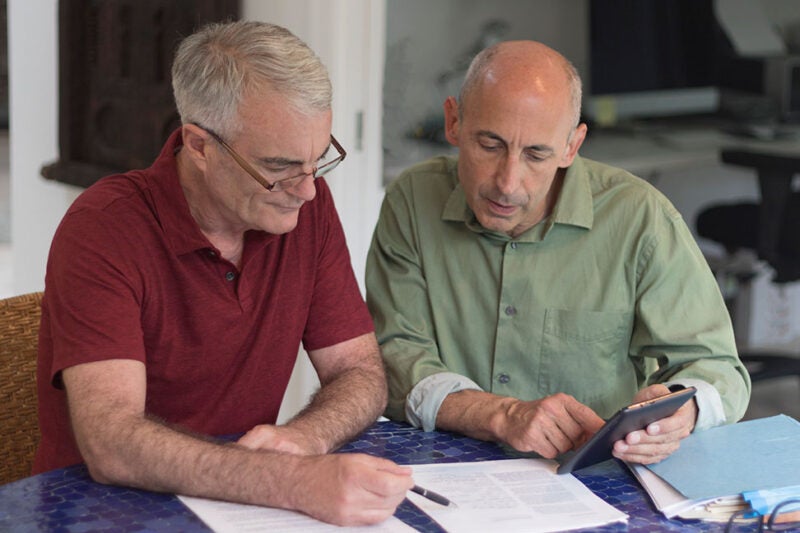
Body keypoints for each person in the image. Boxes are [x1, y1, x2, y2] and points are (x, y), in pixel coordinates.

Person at [35, 20, 413, 526]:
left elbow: (360, 372)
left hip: (238, 505)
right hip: (99, 513)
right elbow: (112, 444)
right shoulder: (105, 228)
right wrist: (291, 481)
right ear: (199, 146)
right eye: (279, 169)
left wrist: (306, 438)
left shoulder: (306, 206)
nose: (306, 190)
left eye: (318, 159)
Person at [366, 40, 751, 466]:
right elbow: (395, 355)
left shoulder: (640, 218)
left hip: (590, 480)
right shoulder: (412, 199)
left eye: (536, 154)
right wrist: (499, 415)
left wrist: (683, 411)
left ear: (572, 145)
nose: (508, 183)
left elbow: (718, 368)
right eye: (490, 145)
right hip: (448, 470)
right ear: (453, 122)